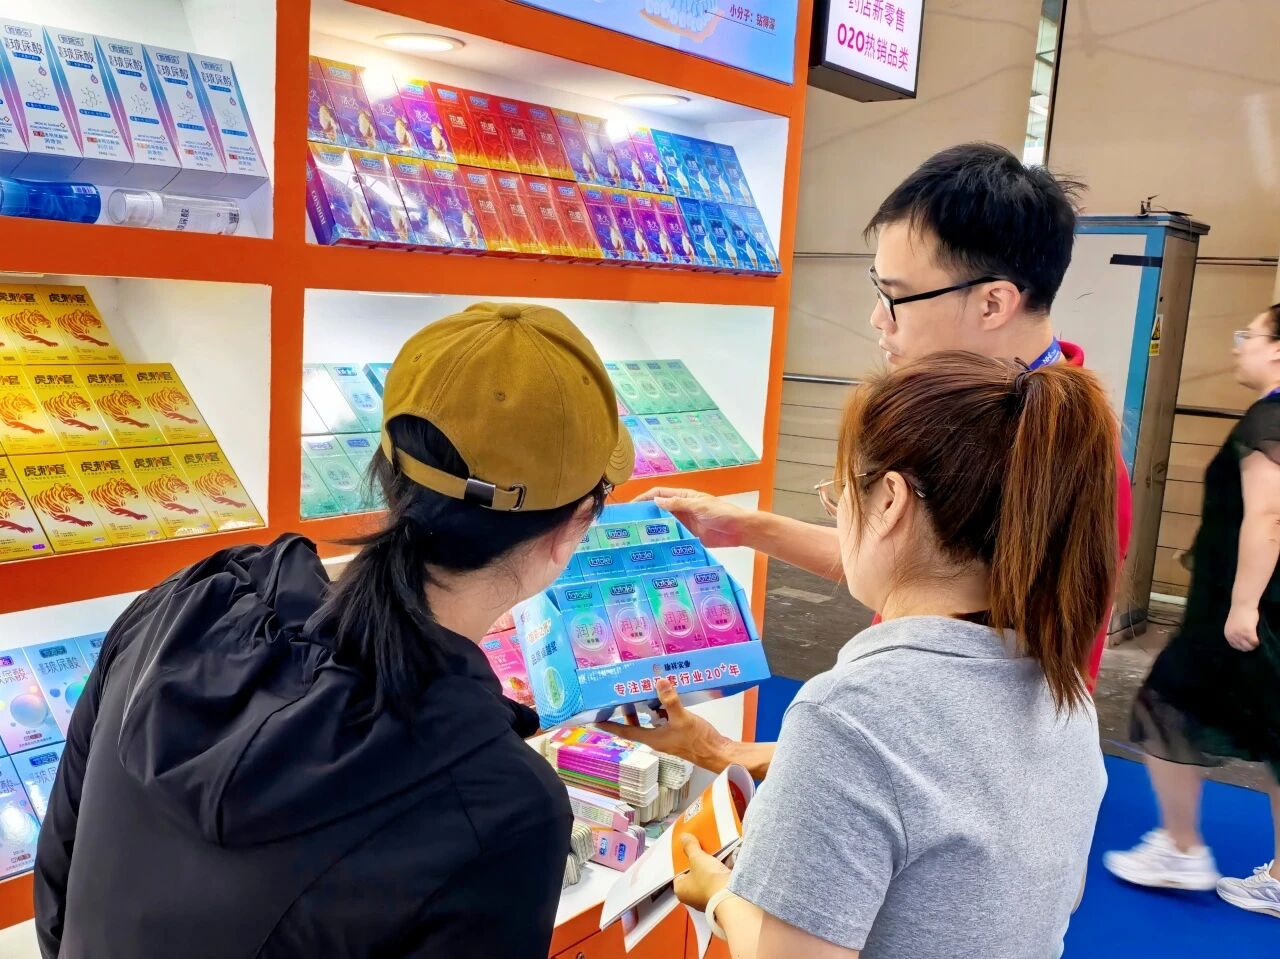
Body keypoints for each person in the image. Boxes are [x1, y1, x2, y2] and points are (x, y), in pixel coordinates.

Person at [33, 303, 635, 959]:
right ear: (571, 528)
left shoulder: (189, 601)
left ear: (389, 471)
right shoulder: (503, 809)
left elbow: (59, 891)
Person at [604, 141, 1131, 774]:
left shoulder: (1055, 457)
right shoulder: (990, 414)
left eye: (897, 295)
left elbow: (957, 741)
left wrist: (747, 752)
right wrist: (743, 526)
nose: (878, 318)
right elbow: (917, 569)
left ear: (994, 302)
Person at [670, 352, 1118, 959]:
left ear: (889, 501)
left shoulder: (847, 713)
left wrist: (721, 896)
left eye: (839, 495)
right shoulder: (1063, 691)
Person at [1104, 304, 1280, 917]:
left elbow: (1269, 516)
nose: (1237, 345)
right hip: (1256, 603)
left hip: (1244, 613)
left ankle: (1181, 848)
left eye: (1248, 335)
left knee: (1164, 706)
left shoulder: (1270, 418)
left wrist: (1243, 604)